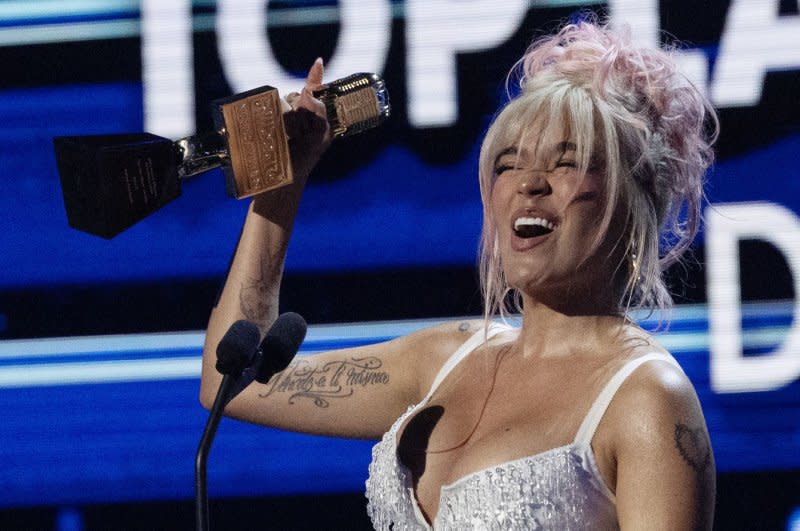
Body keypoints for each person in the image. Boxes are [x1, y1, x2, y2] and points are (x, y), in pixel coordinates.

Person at [200, 18, 717, 530]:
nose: (528, 184)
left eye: (567, 162)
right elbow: (231, 383)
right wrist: (282, 187)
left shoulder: (646, 399)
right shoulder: (443, 362)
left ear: (633, 205)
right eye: (509, 163)